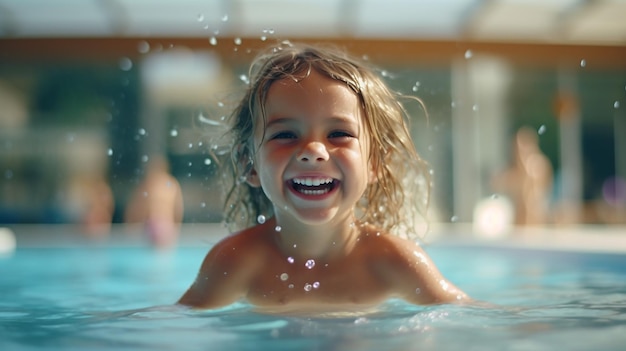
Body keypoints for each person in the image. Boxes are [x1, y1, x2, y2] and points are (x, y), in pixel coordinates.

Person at [178, 43, 469, 313]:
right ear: (249, 165)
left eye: (338, 134)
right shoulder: (236, 261)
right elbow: (177, 323)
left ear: (375, 162)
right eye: (285, 135)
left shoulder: (393, 261)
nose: (313, 151)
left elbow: (468, 316)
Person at [125, 155, 184, 248]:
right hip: (167, 224)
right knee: (165, 254)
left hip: (153, 223)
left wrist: (131, 224)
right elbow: (178, 208)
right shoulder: (172, 183)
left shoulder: (149, 183)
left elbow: (137, 206)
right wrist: (177, 227)